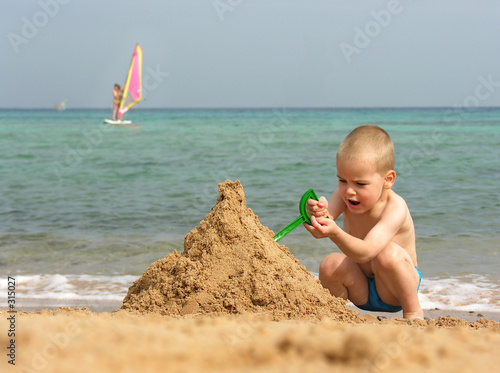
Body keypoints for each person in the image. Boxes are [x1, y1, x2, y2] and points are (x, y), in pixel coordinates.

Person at [304, 124, 424, 319]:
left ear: (388, 180)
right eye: (342, 181)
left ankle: (413, 312)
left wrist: (335, 232)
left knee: (387, 254)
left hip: (394, 290)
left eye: (360, 184)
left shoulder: (395, 208)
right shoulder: (343, 197)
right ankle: (337, 314)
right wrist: (316, 214)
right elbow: (321, 227)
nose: (349, 191)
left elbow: (367, 251)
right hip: (362, 286)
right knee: (330, 264)